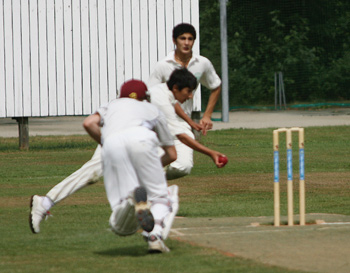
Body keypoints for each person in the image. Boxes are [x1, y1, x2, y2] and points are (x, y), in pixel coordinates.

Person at [29, 23, 223, 234]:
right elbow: (180, 136)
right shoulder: (160, 97)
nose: (190, 96)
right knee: (94, 172)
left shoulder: (162, 92)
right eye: (188, 92)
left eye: (190, 39)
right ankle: (45, 202)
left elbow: (90, 122)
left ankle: (138, 191)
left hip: (138, 135)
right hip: (137, 134)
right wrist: (211, 152)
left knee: (180, 165)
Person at [82, 79, 176, 253]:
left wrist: (104, 142)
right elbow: (171, 154)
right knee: (162, 198)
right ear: (145, 96)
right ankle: (154, 236)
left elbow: (88, 123)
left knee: (120, 205)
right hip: (142, 138)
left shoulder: (110, 106)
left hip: (112, 143)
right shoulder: (152, 109)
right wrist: (152, 168)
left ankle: (132, 199)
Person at [148, 23, 222, 179]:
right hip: (160, 123)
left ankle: (151, 178)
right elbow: (152, 95)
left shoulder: (202, 63)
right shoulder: (163, 65)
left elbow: (216, 85)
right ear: (174, 40)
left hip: (183, 121)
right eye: (182, 38)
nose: (187, 43)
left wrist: (207, 115)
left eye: (190, 39)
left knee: (184, 167)